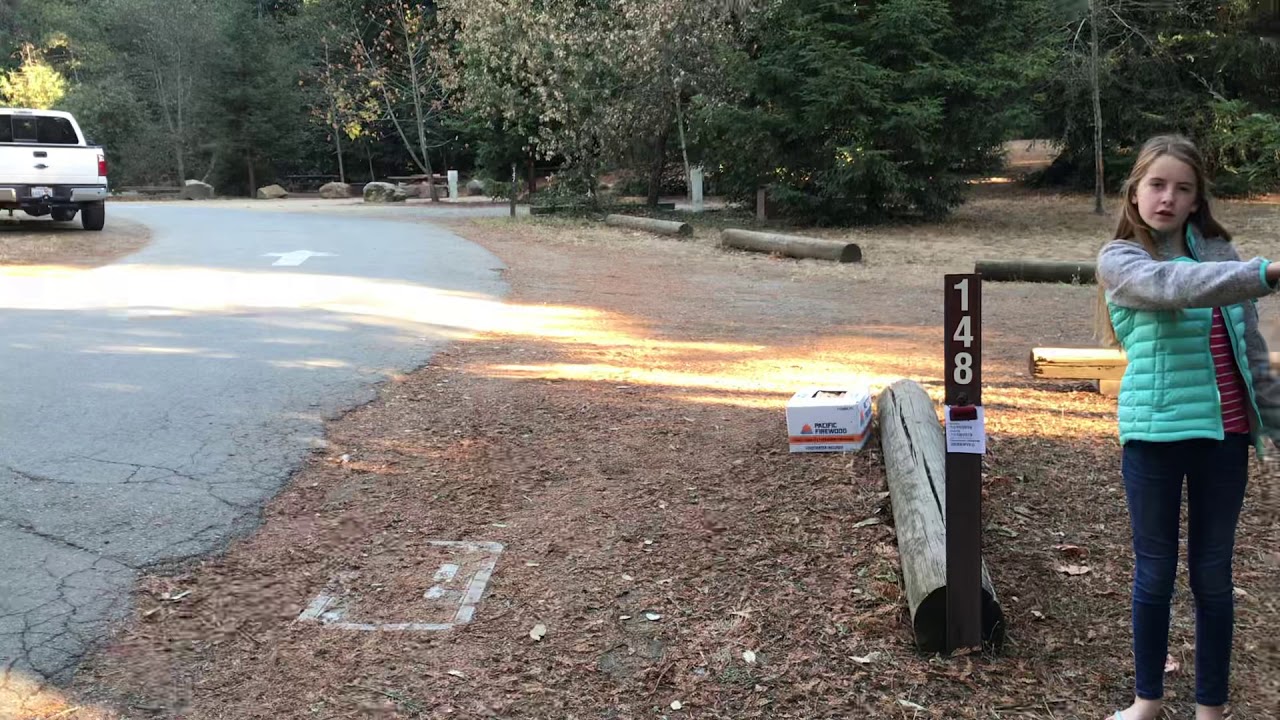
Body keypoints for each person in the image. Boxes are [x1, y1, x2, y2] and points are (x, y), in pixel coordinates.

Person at [1095, 134, 1280, 720]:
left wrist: (1272, 423)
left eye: (1183, 188)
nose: (1168, 197)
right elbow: (1173, 285)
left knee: (1213, 576)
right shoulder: (1122, 260)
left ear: (1198, 199)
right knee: (1154, 574)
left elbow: (1251, 349)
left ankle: (1211, 709)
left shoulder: (1222, 255)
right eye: (1157, 184)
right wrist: (1266, 272)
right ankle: (1146, 702)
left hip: (1223, 439)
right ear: (1135, 190)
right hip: (1153, 438)